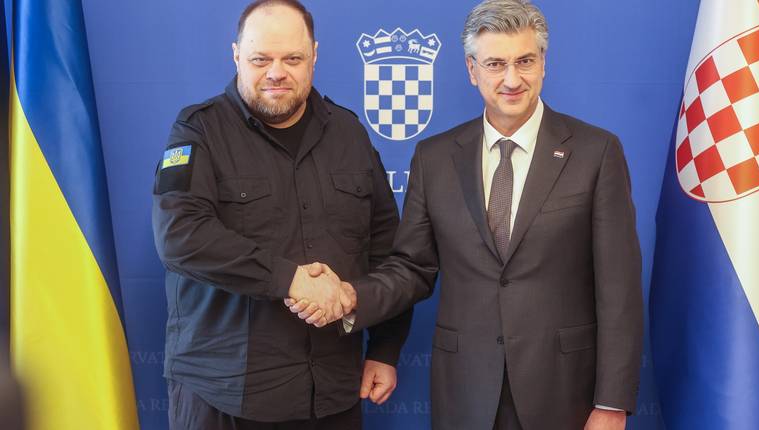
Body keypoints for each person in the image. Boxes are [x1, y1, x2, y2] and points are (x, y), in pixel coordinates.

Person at [290, 0, 643, 429]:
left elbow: (619, 288)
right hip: (465, 391)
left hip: (565, 392)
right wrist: (351, 297)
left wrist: (612, 402)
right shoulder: (435, 158)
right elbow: (412, 269)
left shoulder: (596, 152)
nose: (511, 79)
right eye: (495, 64)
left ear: (543, 63)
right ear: (472, 70)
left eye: (525, 61)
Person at [151, 1, 412, 429]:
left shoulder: (349, 134)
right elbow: (180, 236)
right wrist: (290, 279)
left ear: (314, 56)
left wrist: (385, 348)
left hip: (331, 392)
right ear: (236, 55)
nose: (276, 72)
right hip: (223, 394)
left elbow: (389, 252)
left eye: (292, 59)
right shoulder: (198, 130)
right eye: (261, 59)